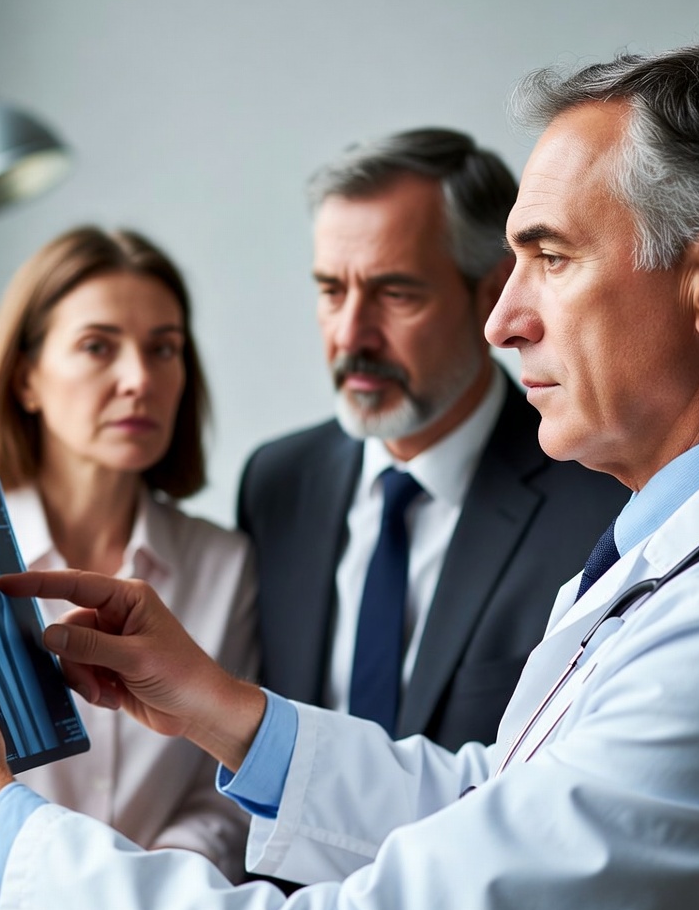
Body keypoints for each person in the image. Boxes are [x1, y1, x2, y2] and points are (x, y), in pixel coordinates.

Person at [0, 38, 699, 910]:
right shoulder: (662, 551)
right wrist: (222, 707)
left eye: (554, 257)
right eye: (330, 289)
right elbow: (493, 801)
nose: (505, 323)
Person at [0, 226, 258, 910]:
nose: (140, 378)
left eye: (165, 348)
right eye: (99, 346)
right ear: (28, 376)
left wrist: (126, 905)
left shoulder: (225, 566)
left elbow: (222, 803)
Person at [238, 128, 628, 749]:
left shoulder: (600, 498)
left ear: (494, 291)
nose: (352, 335)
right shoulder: (277, 482)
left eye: (395, 294)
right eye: (331, 291)